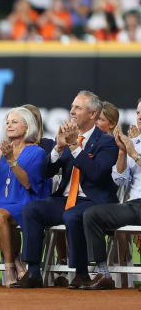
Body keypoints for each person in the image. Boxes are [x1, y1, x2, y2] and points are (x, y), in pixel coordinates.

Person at [15, 91, 119, 288]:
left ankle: (81, 274)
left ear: (92, 114)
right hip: (64, 200)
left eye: (78, 108)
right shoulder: (67, 137)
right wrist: (58, 149)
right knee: (32, 209)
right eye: (72, 107)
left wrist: (74, 147)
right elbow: (44, 173)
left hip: (93, 201)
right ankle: (34, 272)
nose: (72, 111)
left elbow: (96, 173)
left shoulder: (107, 141)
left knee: (72, 215)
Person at [0, 107, 46, 287]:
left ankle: (9, 268)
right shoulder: (3, 150)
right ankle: (16, 262)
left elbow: (28, 184)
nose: (9, 125)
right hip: (0, 200)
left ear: (27, 127)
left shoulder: (36, 152)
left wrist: (11, 160)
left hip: (24, 200)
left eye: (14, 122)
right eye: (7, 122)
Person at [82, 99, 141, 290]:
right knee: (92, 215)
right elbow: (120, 180)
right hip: (134, 205)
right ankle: (103, 274)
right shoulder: (136, 143)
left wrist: (134, 154)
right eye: (138, 113)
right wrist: (123, 153)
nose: (139, 117)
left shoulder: (136, 147)